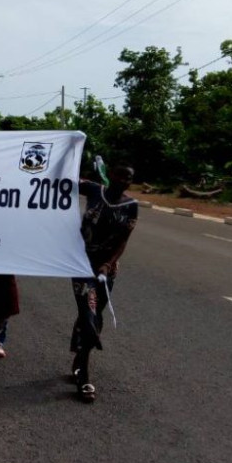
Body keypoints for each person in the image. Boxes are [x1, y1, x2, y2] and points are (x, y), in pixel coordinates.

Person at [70, 164, 138, 402]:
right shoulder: (94, 190)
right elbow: (65, 181)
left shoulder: (131, 207)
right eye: (120, 175)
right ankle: (84, 377)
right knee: (88, 315)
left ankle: (79, 356)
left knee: (95, 315)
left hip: (105, 270)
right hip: (81, 264)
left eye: (128, 178)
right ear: (111, 174)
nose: (123, 180)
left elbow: (123, 241)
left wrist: (109, 263)